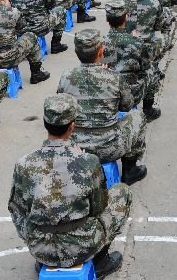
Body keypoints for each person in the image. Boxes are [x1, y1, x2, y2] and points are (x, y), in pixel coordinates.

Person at [9, 94, 129, 277]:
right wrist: (81, 160)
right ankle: (100, 261)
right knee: (122, 193)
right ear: (72, 125)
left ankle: (45, 260)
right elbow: (99, 207)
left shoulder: (24, 164)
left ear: (45, 123)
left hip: (40, 248)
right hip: (83, 246)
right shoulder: (88, 161)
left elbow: (16, 209)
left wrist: (33, 236)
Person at [57, 29, 148, 184]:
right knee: (138, 116)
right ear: (101, 52)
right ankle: (130, 169)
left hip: (75, 147)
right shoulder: (114, 77)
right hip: (108, 148)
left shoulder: (66, 77)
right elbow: (127, 106)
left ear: (77, 52)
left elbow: (61, 109)